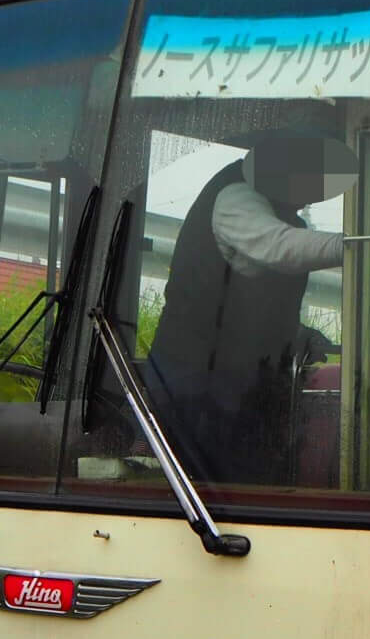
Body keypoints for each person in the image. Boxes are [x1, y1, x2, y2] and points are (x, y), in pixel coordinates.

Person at [142, 125, 357, 481]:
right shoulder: (235, 196)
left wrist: (297, 334)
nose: (312, 198)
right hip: (193, 385)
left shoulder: (283, 215)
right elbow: (278, 248)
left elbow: (252, 300)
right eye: (309, 182)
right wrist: (359, 244)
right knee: (208, 491)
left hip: (239, 390)